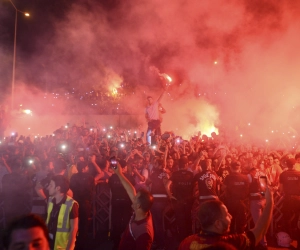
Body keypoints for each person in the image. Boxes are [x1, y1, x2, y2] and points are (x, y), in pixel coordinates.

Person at [178, 187, 274, 250]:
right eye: (227, 214)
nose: (231, 216)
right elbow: (260, 231)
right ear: (218, 224)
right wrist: (269, 202)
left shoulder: (186, 243)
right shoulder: (230, 242)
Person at [111, 161, 154, 250]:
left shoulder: (144, 232)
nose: (133, 198)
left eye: (135, 198)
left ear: (138, 206)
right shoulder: (143, 211)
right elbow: (131, 190)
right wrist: (119, 174)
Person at [108, 159, 135, 249]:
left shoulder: (112, 177)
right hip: (127, 203)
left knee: (116, 223)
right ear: (124, 168)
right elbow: (132, 188)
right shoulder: (129, 177)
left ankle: (116, 243)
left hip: (116, 202)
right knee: (126, 223)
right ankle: (125, 243)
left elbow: (111, 187)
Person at [46, 175, 79, 250]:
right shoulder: (50, 200)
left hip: (62, 246)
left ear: (58, 188)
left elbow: (74, 229)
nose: (48, 187)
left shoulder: (72, 204)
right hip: (49, 243)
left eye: (51, 185)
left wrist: (69, 248)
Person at [69, 161, 95, 250]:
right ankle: (82, 244)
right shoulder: (90, 177)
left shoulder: (73, 177)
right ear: (84, 168)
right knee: (84, 223)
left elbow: (71, 188)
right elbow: (92, 190)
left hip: (75, 202)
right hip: (85, 202)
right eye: (87, 167)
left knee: (74, 222)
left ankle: (73, 241)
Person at [222, 161, 249, 234]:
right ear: (239, 168)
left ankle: (231, 240)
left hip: (231, 202)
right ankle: (240, 241)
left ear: (231, 168)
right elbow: (247, 190)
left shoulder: (228, 177)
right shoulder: (245, 177)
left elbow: (223, 188)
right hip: (242, 203)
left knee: (231, 222)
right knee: (241, 224)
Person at [279, 158, 300, 249]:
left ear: (286, 165)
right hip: (298, 199)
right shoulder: (299, 174)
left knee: (286, 218)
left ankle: (288, 237)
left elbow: (280, 188)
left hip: (287, 199)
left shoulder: (283, 174)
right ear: (294, 165)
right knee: (299, 219)